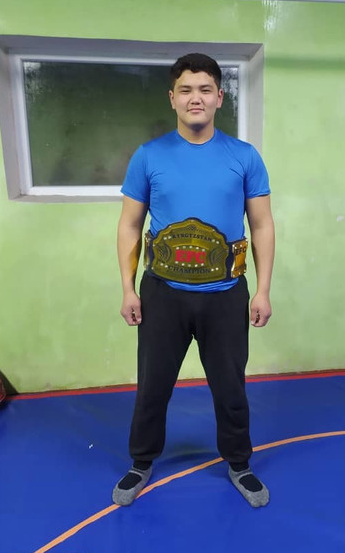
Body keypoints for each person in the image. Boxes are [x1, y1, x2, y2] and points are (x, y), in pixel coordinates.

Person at [113, 53, 276, 508]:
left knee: (230, 387)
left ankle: (239, 464)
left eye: (205, 89)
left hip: (225, 295)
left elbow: (262, 225)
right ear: (172, 98)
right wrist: (127, 287)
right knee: (153, 385)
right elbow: (130, 225)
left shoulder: (244, 157)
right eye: (186, 90)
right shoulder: (149, 156)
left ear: (220, 97)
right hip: (162, 294)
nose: (195, 98)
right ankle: (141, 462)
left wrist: (263, 289)